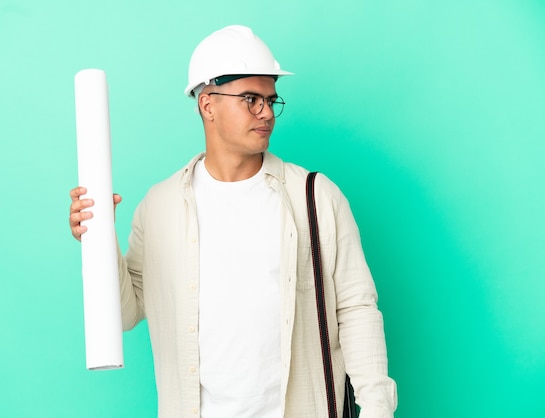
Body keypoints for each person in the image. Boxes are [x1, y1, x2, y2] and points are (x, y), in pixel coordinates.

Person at [69, 25, 397, 418]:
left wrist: (377, 409)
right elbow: (126, 313)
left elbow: (357, 308)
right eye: (250, 99)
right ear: (207, 104)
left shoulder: (314, 196)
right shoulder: (159, 206)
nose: (266, 113)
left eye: (271, 101)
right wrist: (97, 237)